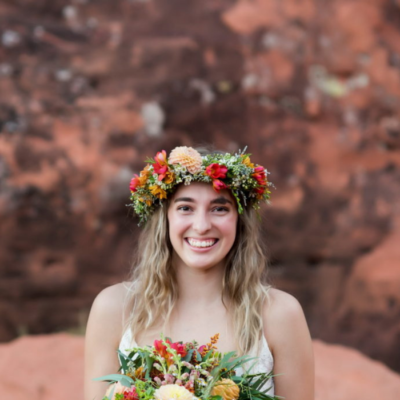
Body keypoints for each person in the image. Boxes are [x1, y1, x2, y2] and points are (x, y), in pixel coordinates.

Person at [84, 146, 314, 400]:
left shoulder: (280, 314)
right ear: (166, 218)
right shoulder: (115, 308)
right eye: (185, 208)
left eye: (219, 208)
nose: (202, 226)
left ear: (239, 220)